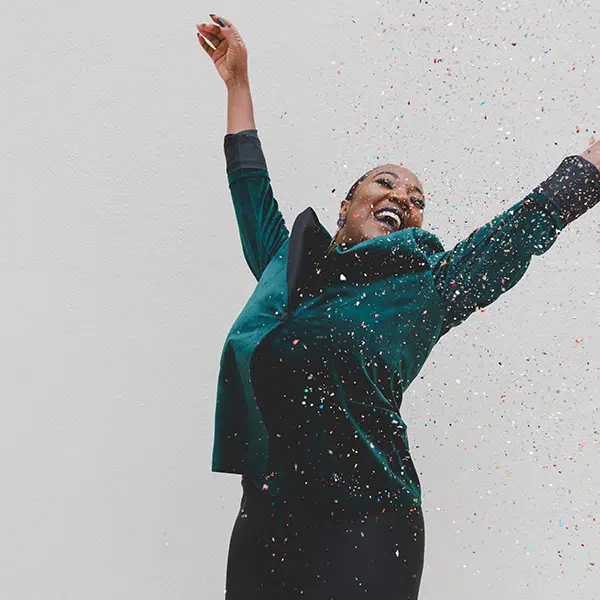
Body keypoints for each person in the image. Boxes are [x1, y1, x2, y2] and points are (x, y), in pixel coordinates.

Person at [196, 14, 600, 600]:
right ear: (346, 203)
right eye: (386, 183)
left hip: (365, 524)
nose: (401, 199)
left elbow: (521, 228)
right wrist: (237, 84)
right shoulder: (286, 272)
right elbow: (249, 185)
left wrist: (594, 160)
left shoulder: (427, 290)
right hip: (265, 520)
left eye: (416, 201)